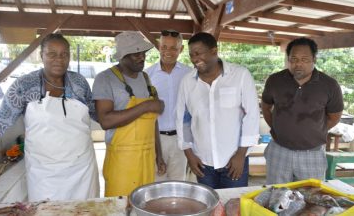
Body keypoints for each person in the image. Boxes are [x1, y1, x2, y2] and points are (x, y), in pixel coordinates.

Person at [0, 33, 99, 201]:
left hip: (82, 167)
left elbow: (95, 113)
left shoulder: (79, 82)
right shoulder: (23, 85)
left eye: (64, 54)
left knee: (85, 210)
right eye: (52, 54)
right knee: (46, 210)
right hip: (44, 171)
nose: (59, 59)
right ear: (41, 56)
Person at [176, 32, 260, 189]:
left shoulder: (240, 75)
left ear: (214, 51)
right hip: (202, 162)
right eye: (191, 55)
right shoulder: (187, 82)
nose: (194, 59)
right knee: (210, 207)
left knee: (234, 207)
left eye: (198, 53)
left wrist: (241, 155)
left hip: (234, 160)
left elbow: (252, 116)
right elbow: (183, 119)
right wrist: (189, 154)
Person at [93, 31, 166, 197]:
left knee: (144, 206)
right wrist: (146, 105)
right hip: (122, 161)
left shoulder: (145, 78)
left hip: (147, 159)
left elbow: (152, 121)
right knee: (120, 207)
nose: (142, 57)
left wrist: (158, 155)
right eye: (135, 54)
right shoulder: (105, 79)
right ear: (122, 57)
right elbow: (105, 120)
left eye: (143, 53)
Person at [261, 37, 343, 184]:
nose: (298, 64)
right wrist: (276, 127)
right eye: (293, 59)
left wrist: (314, 131)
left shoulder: (329, 85)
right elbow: (266, 107)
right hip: (279, 150)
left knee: (311, 199)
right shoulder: (275, 80)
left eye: (304, 59)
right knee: (276, 198)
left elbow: (334, 116)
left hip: (312, 153)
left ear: (314, 59)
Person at [145, 30, 192, 181]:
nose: (168, 52)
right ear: (159, 46)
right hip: (155, 139)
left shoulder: (190, 74)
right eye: (164, 47)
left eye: (174, 48)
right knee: (155, 184)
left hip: (181, 140)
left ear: (181, 50)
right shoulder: (148, 75)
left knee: (179, 184)